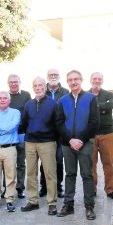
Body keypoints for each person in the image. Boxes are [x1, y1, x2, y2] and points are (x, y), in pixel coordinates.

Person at [56, 70, 99, 220]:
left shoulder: (90, 99)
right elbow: (59, 123)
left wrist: (80, 139)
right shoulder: (62, 100)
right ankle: (68, 205)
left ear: (81, 80)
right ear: (67, 82)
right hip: (68, 145)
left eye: (76, 79)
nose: (73, 82)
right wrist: (70, 140)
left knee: (87, 175)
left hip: (85, 143)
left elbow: (94, 122)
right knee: (70, 174)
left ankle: (89, 207)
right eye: (70, 80)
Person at [20, 77, 58, 215]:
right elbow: (23, 123)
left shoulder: (53, 104)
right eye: (35, 85)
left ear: (45, 87)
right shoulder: (28, 104)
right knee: (31, 173)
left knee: (49, 173)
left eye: (40, 85)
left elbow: (57, 124)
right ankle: (33, 201)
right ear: (33, 87)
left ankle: (52, 203)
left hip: (47, 142)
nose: (38, 88)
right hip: (30, 142)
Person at [89, 72, 113, 200]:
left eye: (99, 79)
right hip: (90, 136)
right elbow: (86, 110)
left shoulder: (109, 94)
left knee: (108, 163)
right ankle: (92, 190)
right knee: (91, 164)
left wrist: (94, 107)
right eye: (94, 78)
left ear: (102, 81)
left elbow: (110, 105)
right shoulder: (85, 95)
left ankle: (110, 190)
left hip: (107, 134)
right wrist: (102, 108)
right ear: (90, 80)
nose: (97, 81)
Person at [39, 68, 69, 198]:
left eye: (55, 74)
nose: (53, 76)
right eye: (51, 75)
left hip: (60, 133)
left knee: (58, 160)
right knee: (44, 161)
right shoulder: (41, 91)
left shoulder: (65, 92)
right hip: (45, 132)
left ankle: (58, 187)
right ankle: (44, 186)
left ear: (59, 76)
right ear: (47, 77)